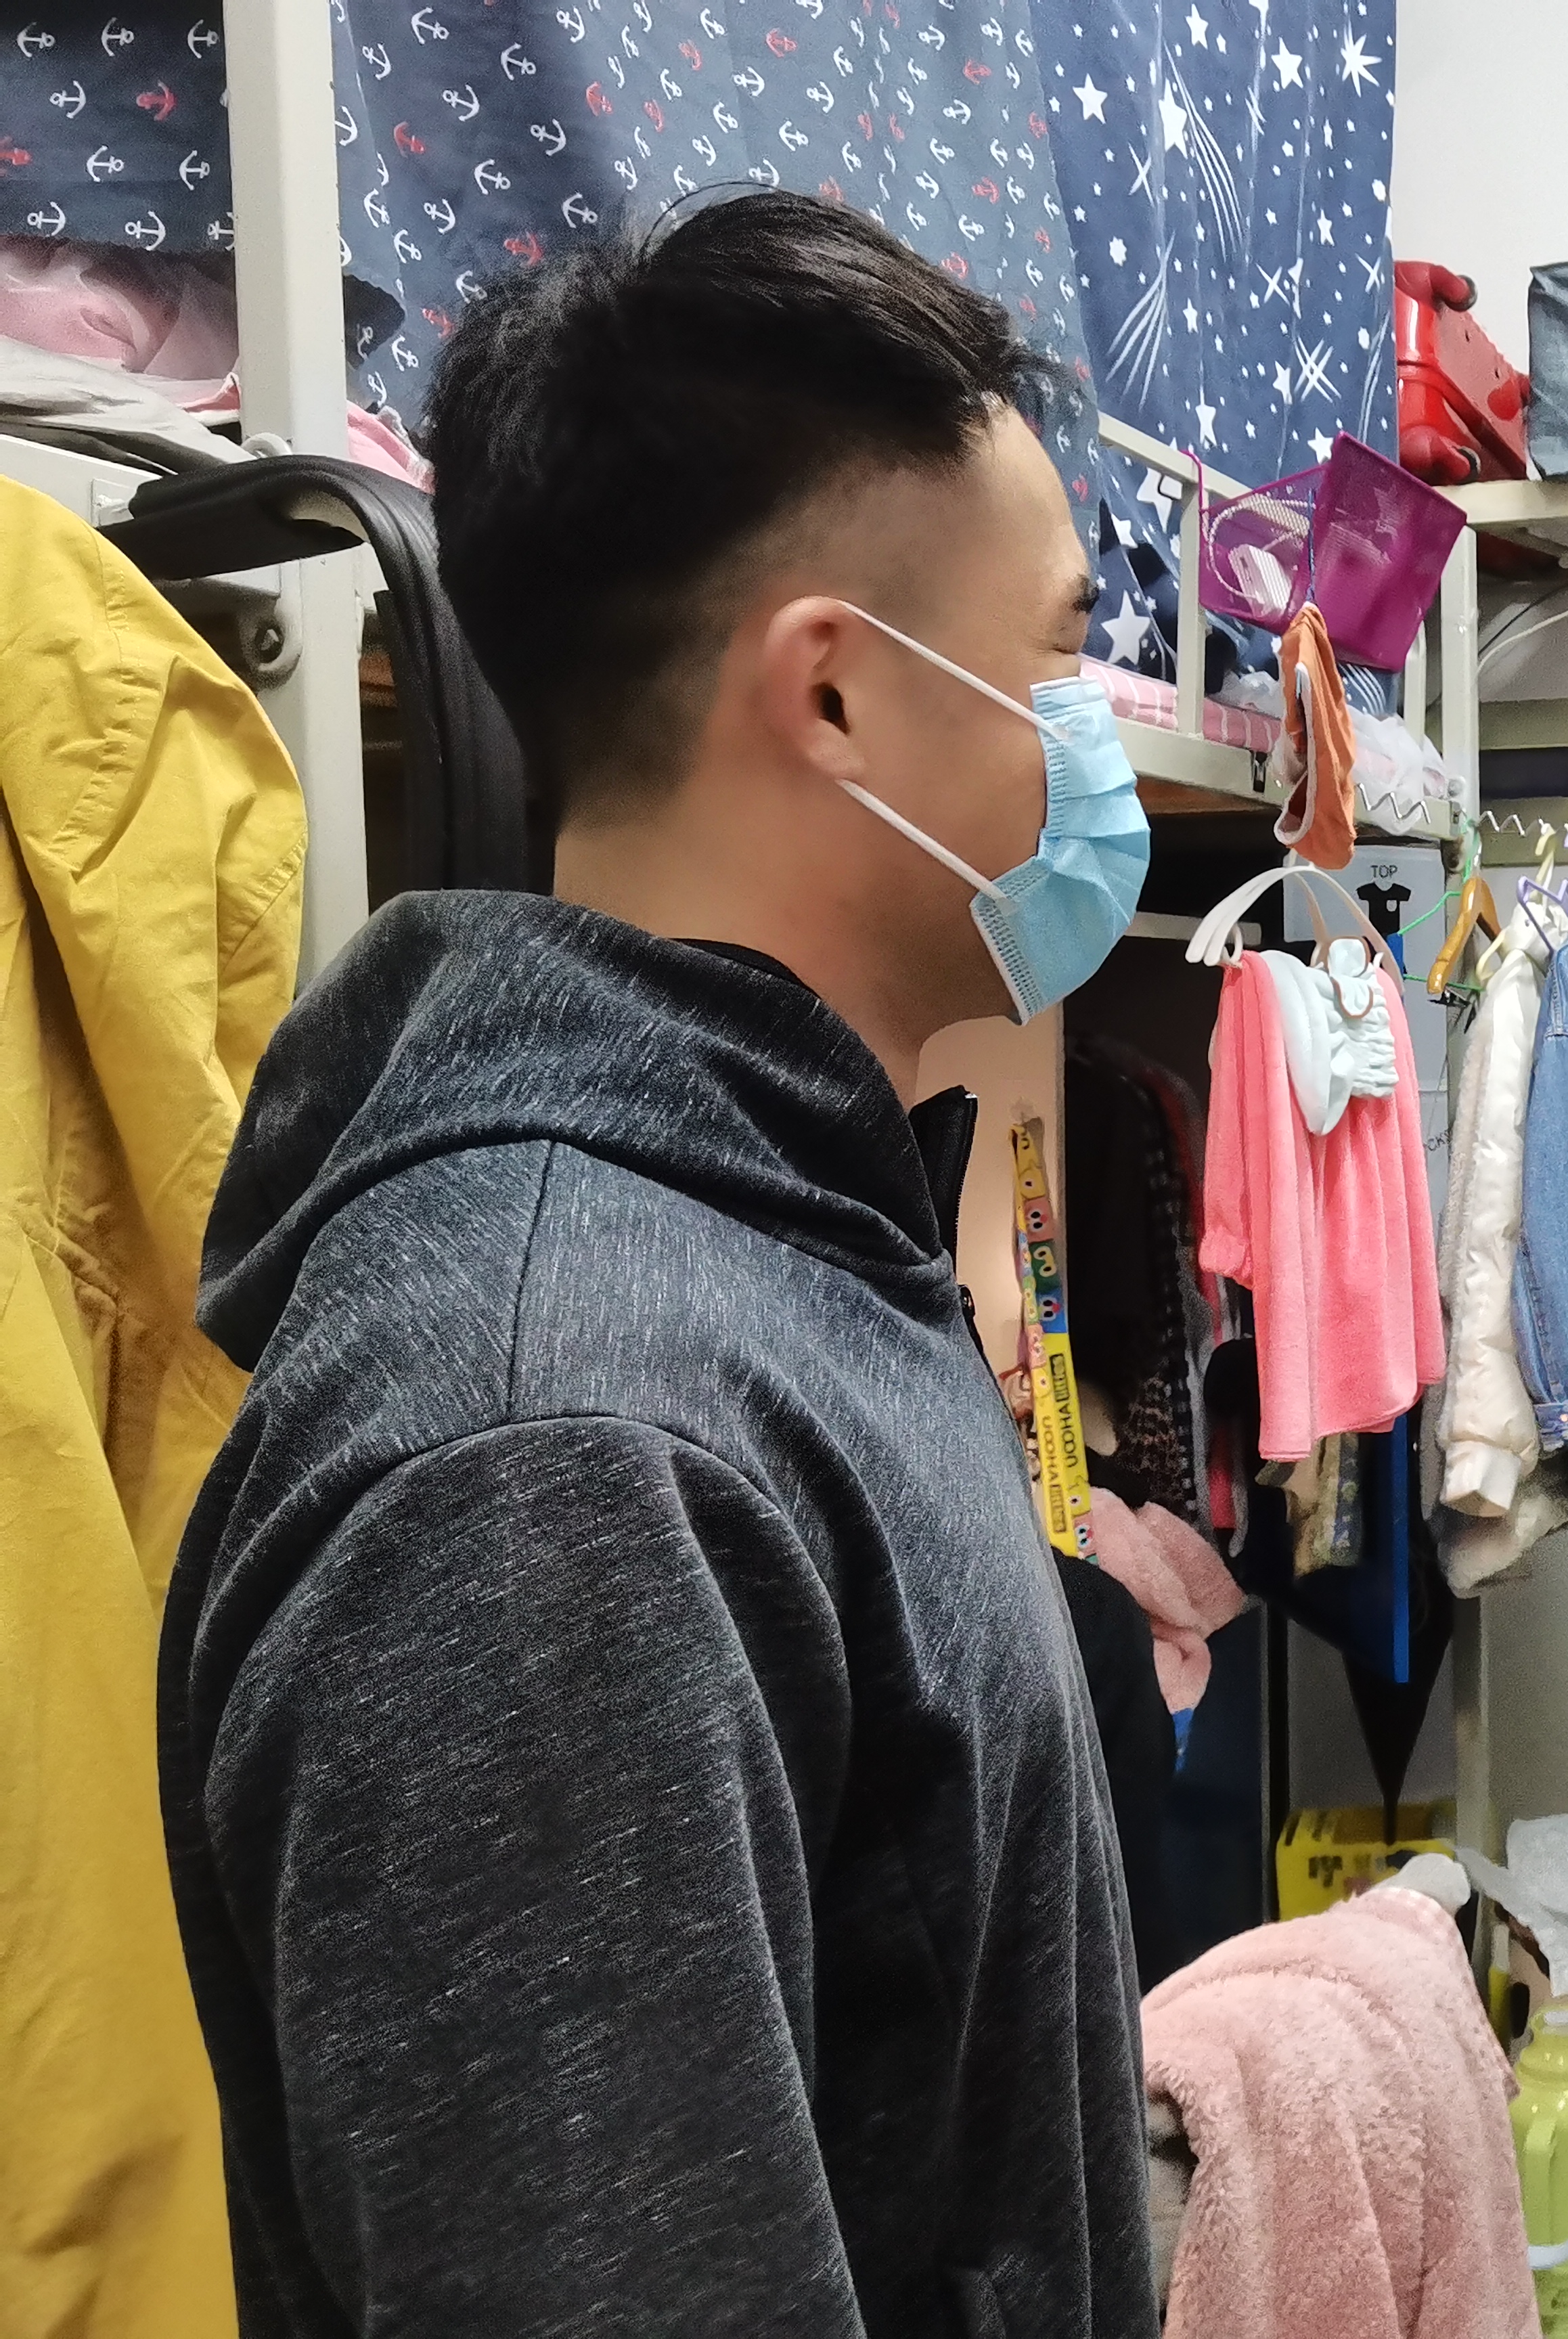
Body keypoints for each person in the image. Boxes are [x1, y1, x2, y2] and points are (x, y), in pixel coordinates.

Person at [155, 192, 1158, 2334]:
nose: (1102, 731)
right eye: (1065, 653)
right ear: (838, 693)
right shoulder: (554, 1456)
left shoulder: (786, 1247)